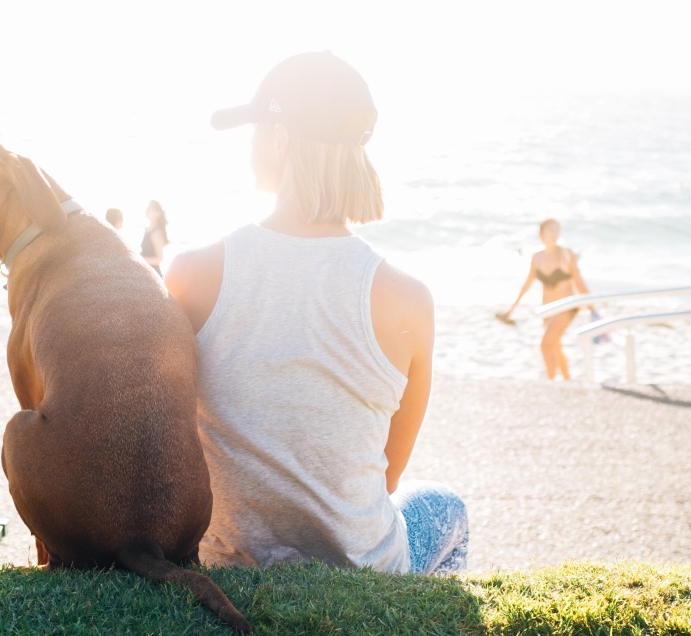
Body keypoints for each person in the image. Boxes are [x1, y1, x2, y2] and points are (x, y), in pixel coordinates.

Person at [165, 51, 467, 575]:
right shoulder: (408, 299)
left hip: (228, 560)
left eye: (257, 129)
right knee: (447, 507)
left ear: (280, 139)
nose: (252, 143)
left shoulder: (193, 273)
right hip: (363, 567)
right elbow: (387, 478)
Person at [496, 219, 590, 380]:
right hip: (547, 309)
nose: (554, 234)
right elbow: (527, 284)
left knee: (545, 345)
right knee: (555, 346)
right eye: (550, 230)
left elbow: (578, 281)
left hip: (567, 307)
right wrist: (511, 310)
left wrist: (592, 308)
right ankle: (567, 380)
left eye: (557, 230)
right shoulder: (537, 257)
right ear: (541, 234)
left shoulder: (567, 254)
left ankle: (551, 381)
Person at [141, 200, 169, 275]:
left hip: (153, 273)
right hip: (146, 270)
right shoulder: (147, 229)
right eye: (148, 209)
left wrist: (141, 259)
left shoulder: (156, 232)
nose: (148, 212)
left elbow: (159, 259)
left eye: (151, 210)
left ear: (158, 213)